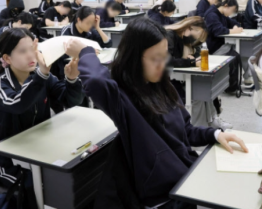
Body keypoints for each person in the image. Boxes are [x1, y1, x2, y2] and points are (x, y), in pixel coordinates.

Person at [63, 17, 248, 209]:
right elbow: (95, 82)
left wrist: (216, 134)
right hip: (162, 197)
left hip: (183, 182)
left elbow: (185, 130)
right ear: (134, 57)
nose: (162, 64)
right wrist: (85, 52)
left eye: (165, 56)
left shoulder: (163, 86)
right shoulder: (124, 98)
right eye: (155, 59)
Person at [0, 28, 84, 193]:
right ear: (7, 58)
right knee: (52, 186)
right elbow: (18, 104)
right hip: (14, 161)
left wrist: (71, 78)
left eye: (33, 50)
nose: (31, 55)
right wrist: (41, 75)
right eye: (22, 51)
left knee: (77, 173)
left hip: (42, 148)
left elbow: (71, 101)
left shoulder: (40, 77)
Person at [165, 16, 233, 129]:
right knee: (198, 94)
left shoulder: (184, 36)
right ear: (191, 28)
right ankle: (199, 128)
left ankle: (212, 121)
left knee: (205, 87)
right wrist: (191, 62)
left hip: (179, 76)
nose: (194, 38)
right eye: (196, 34)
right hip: (167, 80)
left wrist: (193, 58)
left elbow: (196, 51)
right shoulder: (170, 36)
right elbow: (168, 61)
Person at [204, 0, 252, 88]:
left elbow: (235, 23)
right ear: (226, 6)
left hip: (222, 45)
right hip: (214, 47)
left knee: (243, 51)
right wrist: (233, 31)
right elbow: (218, 31)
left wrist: (235, 27)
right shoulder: (212, 14)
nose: (231, 14)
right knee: (235, 56)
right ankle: (231, 86)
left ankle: (247, 77)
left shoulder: (222, 14)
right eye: (232, 10)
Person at [56, 6, 112, 79]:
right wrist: (87, 52)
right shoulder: (67, 31)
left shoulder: (89, 31)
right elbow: (64, 54)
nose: (90, 25)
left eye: (92, 23)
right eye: (88, 23)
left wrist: (98, 27)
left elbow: (108, 44)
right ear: (79, 20)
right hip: (70, 72)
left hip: (86, 68)